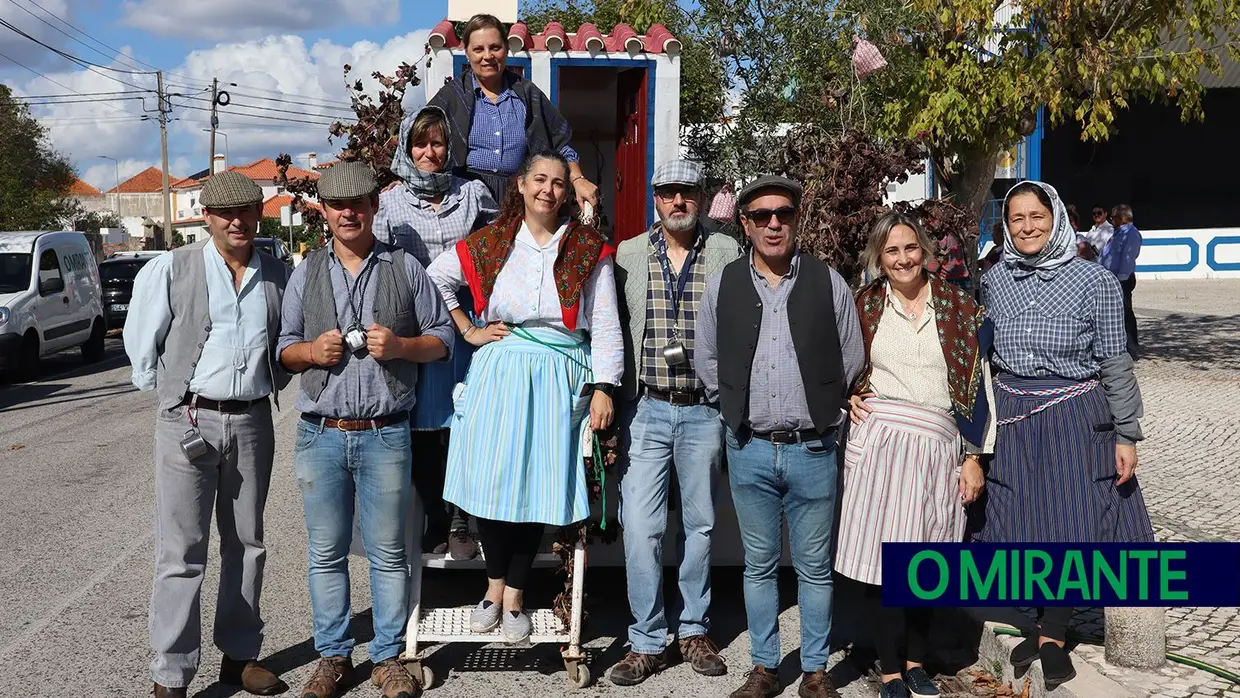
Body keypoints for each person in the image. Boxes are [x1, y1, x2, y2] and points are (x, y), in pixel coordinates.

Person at [427, 151, 622, 644]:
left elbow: (604, 322)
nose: (548, 191)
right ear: (520, 184)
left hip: (560, 373)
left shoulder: (586, 247)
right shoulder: (493, 243)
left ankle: (514, 596)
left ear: (567, 192)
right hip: (502, 368)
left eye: (558, 183)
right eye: (540, 179)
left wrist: (603, 387)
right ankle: (492, 590)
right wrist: (468, 329)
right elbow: (438, 276)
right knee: (492, 485)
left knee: (539, 484)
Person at [277, 162, 456, 698]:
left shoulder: (404, 268)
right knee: (325, 552)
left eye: (358, 203)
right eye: (337, 205)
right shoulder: (306, 271)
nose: (348, 212)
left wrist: (401, 347)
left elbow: (443, 337)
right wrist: (310, 352)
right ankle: (333, 657)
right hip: (320, 431)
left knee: (388, 553)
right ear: (324, 212)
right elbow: (283, 349)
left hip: (385, 432)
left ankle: (387, 658)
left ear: (376, 207)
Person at [976, 181, 1151, 691]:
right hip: (1012, 415)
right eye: (1016, 219)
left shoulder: (1096, 282)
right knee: (1022, 516)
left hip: (1075, 414)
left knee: (1074, 517)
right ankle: (1034, 621)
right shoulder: (995, 282)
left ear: (1056, 218)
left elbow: (1116, 364)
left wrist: (1127, 433)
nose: (1027, 227)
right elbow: (977, 356)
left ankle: (1054, 632)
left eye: (1037, 216)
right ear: (1005, 226)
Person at [697, 174, 864, 698]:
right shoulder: (724, 282)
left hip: (813, 447)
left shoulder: (827, 281)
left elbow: (851, 356)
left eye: (784, 214)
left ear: (796, 219)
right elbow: (707, 357)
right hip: (748, 447)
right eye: (762, 216)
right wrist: (730, 410)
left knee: (815, 569)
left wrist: (826, 409)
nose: (774, 224)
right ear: (745, 224)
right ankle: (765, 667)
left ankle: (814, 671)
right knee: (759, 565)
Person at [124, 171, 291, 698]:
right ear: (208, 218)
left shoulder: (278, 274)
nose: (237, 221)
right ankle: (171, 672)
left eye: (247, 211)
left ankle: (239, 656)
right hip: (188, 419)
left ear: (258, 215)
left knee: (247, 544)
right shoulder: (173, 267)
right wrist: (175, 399)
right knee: (181, 549)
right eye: (225, 213)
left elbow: (286, 343)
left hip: (252, 419)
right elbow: (141, 344)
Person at [839, 213, 995, 698]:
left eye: (910, 248)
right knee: (884, 564)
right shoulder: (863, 306)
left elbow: (979, 385)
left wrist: (975, 456)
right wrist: (848, 395)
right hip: (880, 444)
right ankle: (889, 671)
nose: (903, 258)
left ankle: (915, 662)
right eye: (892, 251)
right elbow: (838, 363)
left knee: (927, 560)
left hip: (937, 444)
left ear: (925, 252)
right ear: (878, 259)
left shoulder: (959, 308)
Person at [608, 160, 741, 686]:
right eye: (668, 193)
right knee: (640, 527)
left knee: (701, 525)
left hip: (704, 407)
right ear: (655, 199)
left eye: (688, 192)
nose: (678, 201)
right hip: (648, 406)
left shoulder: (728, 251)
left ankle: (692, 629)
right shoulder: (630, 254)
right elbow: (613, 329)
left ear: (703, 197)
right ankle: (645, 639)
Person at [375, 104, 499, 560]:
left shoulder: (473, 194)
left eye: (437, 143)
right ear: (408, 149)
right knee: (425, 426)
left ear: (450, 147)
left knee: (470, 421)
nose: (429, 152)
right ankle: (436, 517)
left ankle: (467, 516)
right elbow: (380, 266)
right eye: (420, 144)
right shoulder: (388, 203)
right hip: (418, 325)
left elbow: (498, 247)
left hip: (468, 323)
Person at [429, 13, 601, 209]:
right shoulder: (452, 96)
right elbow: (418, 141)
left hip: (518, 199)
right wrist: (404, 182)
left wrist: (578, 179)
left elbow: (560, 143)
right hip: (463, 199)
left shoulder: (527, 94)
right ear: (467, 53)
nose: (488, 56)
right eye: (478, 49)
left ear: (507, 49)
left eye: (495, 47)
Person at [1099, 204, 1142, 356]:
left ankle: (1132, 348)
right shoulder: (1119, 233)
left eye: (1114, 217)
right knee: (1116, 313)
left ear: (1122, 218)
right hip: (1112, 278)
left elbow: (1128, 258)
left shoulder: (1130, 234)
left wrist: (1120, 280)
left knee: (1125, 312)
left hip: (1121, 279)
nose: (1111, 220)